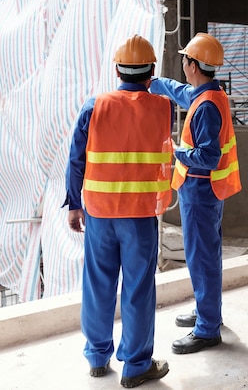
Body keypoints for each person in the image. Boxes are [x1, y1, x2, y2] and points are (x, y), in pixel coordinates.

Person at [64, 35, 173, 388]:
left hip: (99, 212)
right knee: (138, 288)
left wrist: (74, 204)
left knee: (98, 284)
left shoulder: (93, 106)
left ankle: (97, 357)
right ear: (152, 71)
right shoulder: (162, 107)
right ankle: (136, 365)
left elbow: (76, 160)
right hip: (140, 215)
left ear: (116, 69)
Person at [149, 32, 242, 354]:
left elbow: (208, 155)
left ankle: (207, 329)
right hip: (206, 190)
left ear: (191, 65)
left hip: (201, 189)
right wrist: (155, 82)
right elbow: (183, 92)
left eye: (185, 59)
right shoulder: (211, 94)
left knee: (201, 257)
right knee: (206, 255)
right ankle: (208, 313)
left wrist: (177, 151)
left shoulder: (205, 108)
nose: (183, 65)